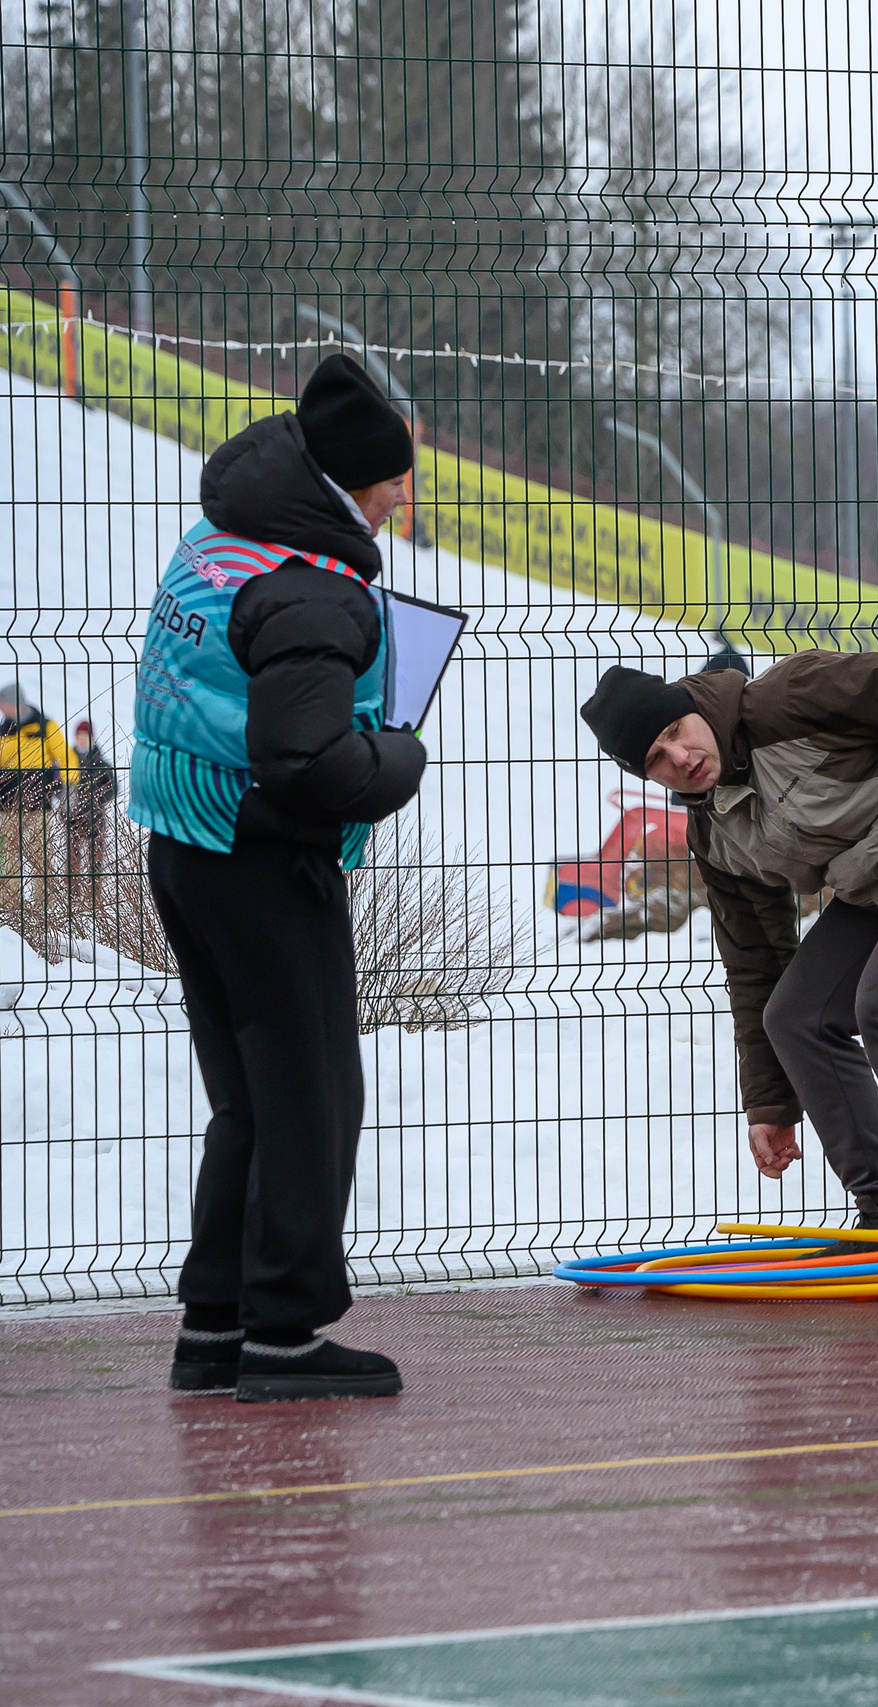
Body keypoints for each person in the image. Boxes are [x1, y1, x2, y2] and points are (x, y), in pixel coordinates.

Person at [130, 354, 428, 1401]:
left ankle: (216, 1327)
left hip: (185, 841)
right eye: (396, 481)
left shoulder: (225, 536)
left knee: (249, 1100)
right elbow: (311, 766)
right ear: (352, 483)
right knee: (311, 1096)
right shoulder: (314, 592)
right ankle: (288, 1337)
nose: (405, 498)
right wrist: (400, 754)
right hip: (260, 857)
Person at [580, 648, 878, 1237]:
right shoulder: (715, 834)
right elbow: (755, 962)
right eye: (657, 759)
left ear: (689, 705)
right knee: (796, 1015)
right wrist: (771, 1105)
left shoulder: (790, 699)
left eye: (677, 732)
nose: (681, 758)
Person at [0, 680, 78, 924]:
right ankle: (9, 910)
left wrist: (69, 787)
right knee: (7, 859)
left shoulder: (45, 727)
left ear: (15, 703)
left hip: (37, 808)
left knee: (40, 857)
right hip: (6, 809)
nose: (2, 709)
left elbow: (66, 757)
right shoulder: (4, 730)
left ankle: (45, 910)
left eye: (4, 704)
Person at [64, 718, 117, 914]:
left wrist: (96, 802)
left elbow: (113, 788)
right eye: (79, 736)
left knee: (96, 858)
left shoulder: (101, 762)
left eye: (85, 736)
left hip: (96, 818)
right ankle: (73, 895)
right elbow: (59, 785)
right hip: (72, 818)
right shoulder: (67, 759)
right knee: (73, 857)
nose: (82, 740)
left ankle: (94, 897)